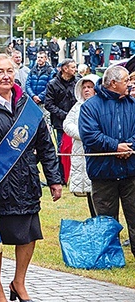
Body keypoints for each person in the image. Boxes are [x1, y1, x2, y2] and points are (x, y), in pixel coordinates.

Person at [0, 54, 62, 302]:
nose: (6, 76)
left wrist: (54, 179)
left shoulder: (28, 105)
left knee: (28, 235)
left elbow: (46, 146)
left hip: (26, 180)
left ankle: (19, 282)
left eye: (10, 70)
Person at [79, 65, 135, 256]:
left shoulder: (132, 104)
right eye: (126, 80)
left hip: (130, 171)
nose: (130, 84)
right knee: (106, 220)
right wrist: (115, 146)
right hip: (103, 172)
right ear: (113, 83)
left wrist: (129, 147)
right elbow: (90, 136)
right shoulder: (90, 107)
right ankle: (110, 256)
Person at [63, 73, 100, 217]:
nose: (86, 90)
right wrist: (82, 134)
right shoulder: (77, 107)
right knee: (89, 193)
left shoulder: (102, 105)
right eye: (84, 87)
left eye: (90, 87)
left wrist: (92, 136)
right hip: (81, 149)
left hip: (98, 151)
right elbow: (67, 124)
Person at [44, 58, 79, 149]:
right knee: (62, 147)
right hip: (60, 122)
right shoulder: (52, 84)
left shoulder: (78, 82)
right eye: (73, 67)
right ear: (65, 69)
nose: (75, 69)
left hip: (76, 121)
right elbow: (48, 104)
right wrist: (63, 114)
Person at [25, 52, 55, 117]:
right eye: (38, 57)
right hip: (33, 101)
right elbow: (27, 84)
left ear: (45, 59)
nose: (39, 59)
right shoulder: (32, 70)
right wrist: (33, 96)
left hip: (44, 102)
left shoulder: (50, 71)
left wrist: (40, 97)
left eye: (41, 57)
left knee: (44, 120)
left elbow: (50, 86)